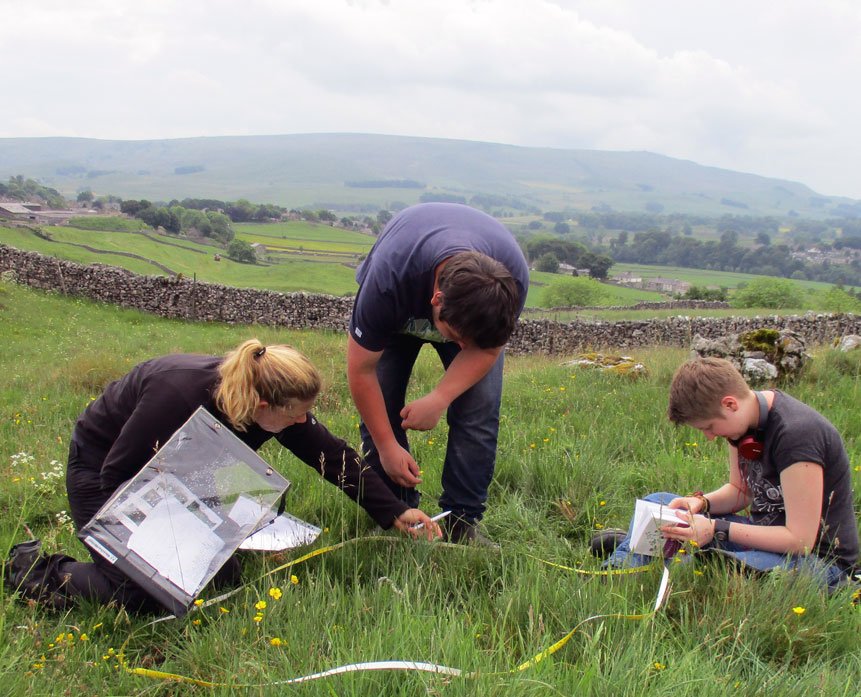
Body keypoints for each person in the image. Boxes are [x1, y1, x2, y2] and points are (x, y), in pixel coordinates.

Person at [5, 339, 441, 612]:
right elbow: (118, 476)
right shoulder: (176, 395)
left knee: (226, 568)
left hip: (180, 475)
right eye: (297, 416)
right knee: (149, 594)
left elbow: (330, 454)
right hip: (105, 473)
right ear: (263, 407)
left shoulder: (271, 404)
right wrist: (170, 540)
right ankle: (34, 572)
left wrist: (394, 512)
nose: (302, 423)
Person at [347, 203, 529, 543]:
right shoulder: (388, 281)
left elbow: (486, 349)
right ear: (437, 298)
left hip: (470, 312)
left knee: (479, 411)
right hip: (402, 297)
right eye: (457, 337)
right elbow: (361, 371)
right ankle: (400, 517)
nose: (461, 349)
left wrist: (440, 397)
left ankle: (462, 522)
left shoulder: (509, 284)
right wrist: (387, 446)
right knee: (383, 402)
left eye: (468, 343)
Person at [600, 357, 858, 590]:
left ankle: (657, 553)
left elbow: (799, 540)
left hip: (819, 562)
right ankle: (620, 569)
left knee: (714, 568)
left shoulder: (798, 435)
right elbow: (740, 492)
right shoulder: (744, 424)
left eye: (709, 427)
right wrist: (701, 503)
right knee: (657, 501)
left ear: (730, 404)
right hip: (761, 537)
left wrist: (714, 528)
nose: (709, 437)